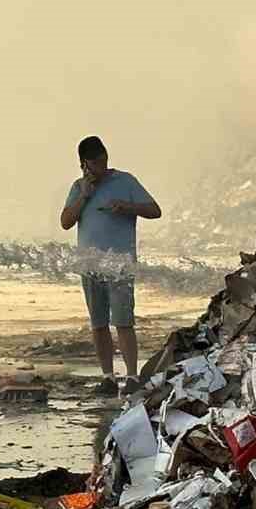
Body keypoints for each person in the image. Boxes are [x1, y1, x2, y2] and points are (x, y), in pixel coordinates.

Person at [60, 135, 161, 395]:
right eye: (95, 163)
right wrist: (84, 195)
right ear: (84, 164)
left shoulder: (125, 181)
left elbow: (154, 210)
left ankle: (132, 376)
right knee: (98, 323)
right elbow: (66, 221)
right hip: (90, 264)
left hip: (120, 265)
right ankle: (107, 377)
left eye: (104, 160)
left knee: (123, 321)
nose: (102, 167)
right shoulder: (78, 187)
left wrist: (128, 207)